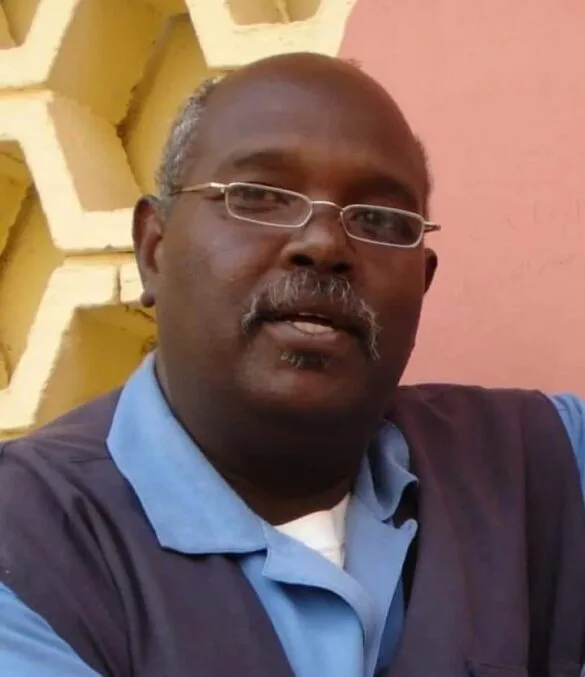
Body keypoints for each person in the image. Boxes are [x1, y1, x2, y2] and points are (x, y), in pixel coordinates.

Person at [0, 52, 584, 677]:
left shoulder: (544, 461)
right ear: (154, 248)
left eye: (379, 219)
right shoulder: (30, 543)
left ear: (424, 280)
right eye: (259, 197)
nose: (324, 244)